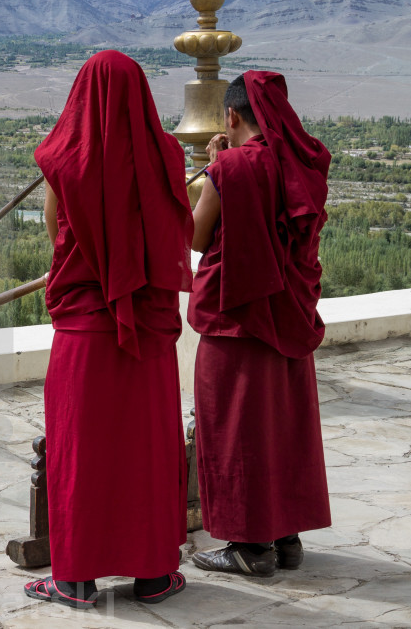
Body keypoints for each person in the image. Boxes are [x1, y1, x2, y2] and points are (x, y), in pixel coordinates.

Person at [23, 50, 194, 609]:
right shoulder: (165, 155)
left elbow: (55, 227)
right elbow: (180, 225)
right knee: (148, 447)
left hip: (84, 329)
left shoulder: (65, 160)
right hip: (147, 330)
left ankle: (74, 580)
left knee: (82, 451)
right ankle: (153, 576)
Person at [188, 71, 332, 577]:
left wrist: (213, 169)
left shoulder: (232, 168)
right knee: (281, 425)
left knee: (236, 430)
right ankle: (286, 538)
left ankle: (248, 548)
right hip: (290, 316)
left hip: (239, 319)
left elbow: (198, 237)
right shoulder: (303, 166)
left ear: (231, 116)